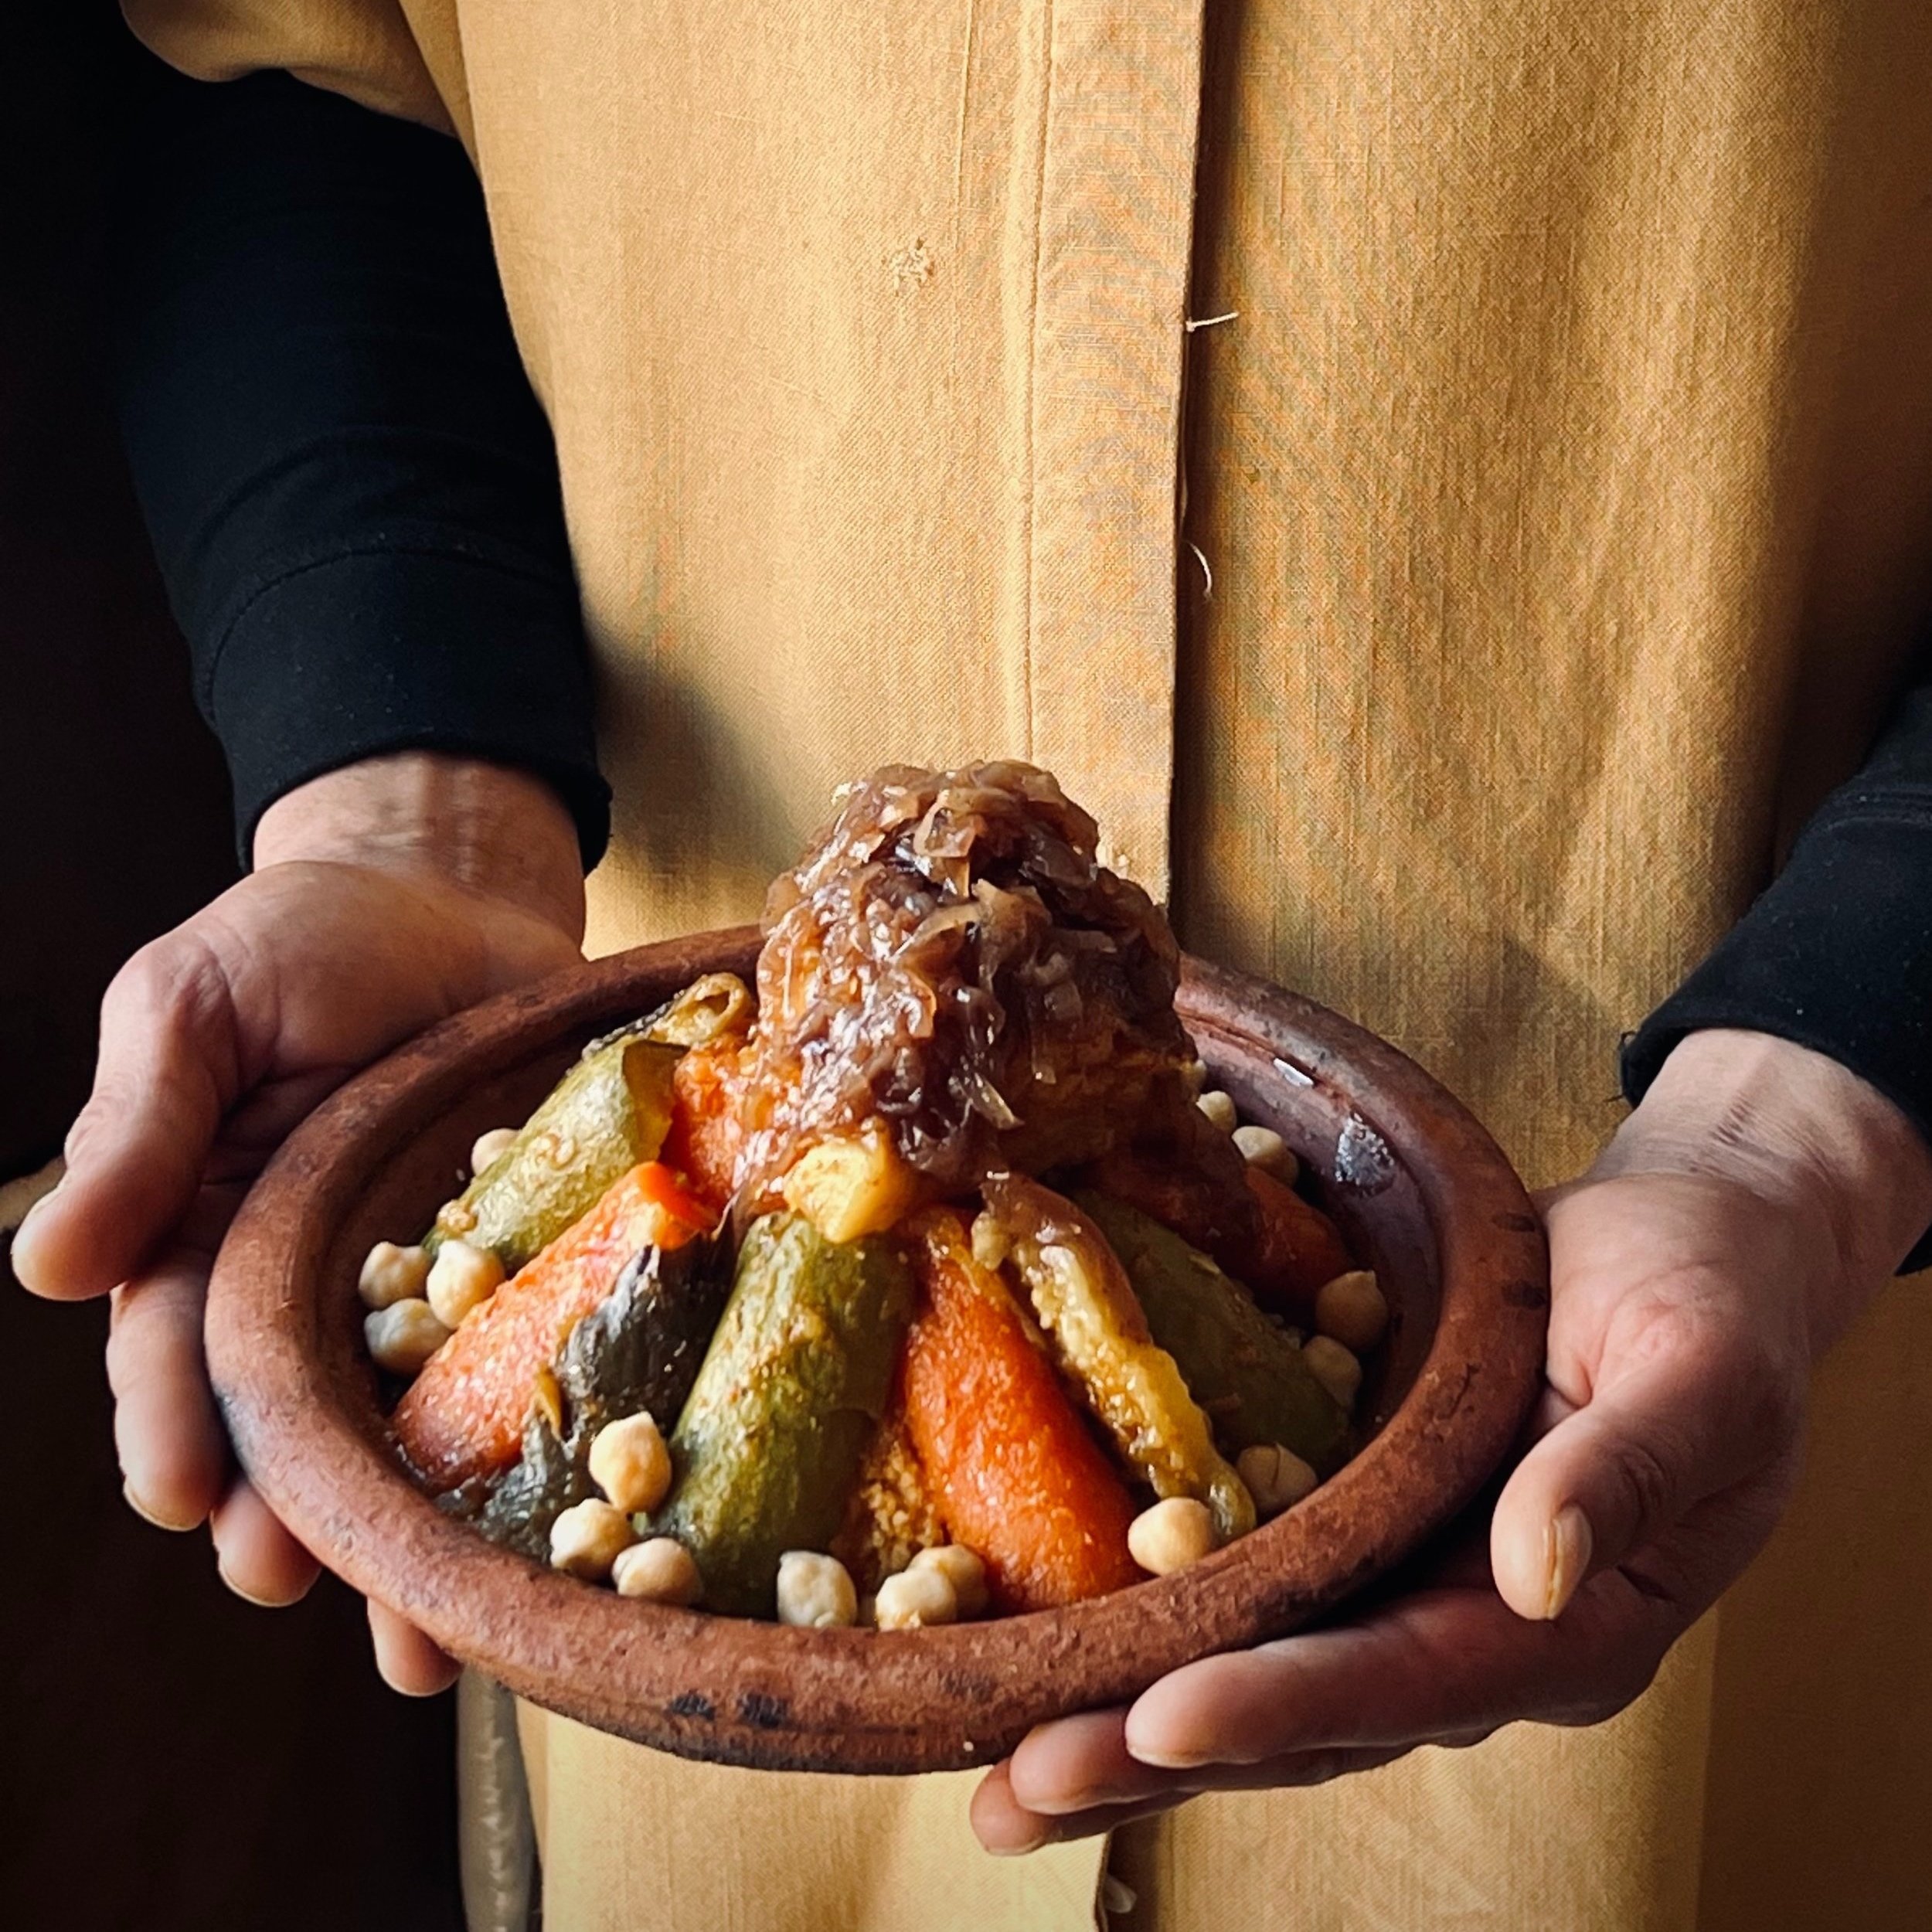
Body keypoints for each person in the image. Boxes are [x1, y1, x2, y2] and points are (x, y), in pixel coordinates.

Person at [16, 5, 1932, 1927]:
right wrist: (404, 793)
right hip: (707, 1243)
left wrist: (1803, 1116)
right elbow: (295, 83)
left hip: (1665, 1328)